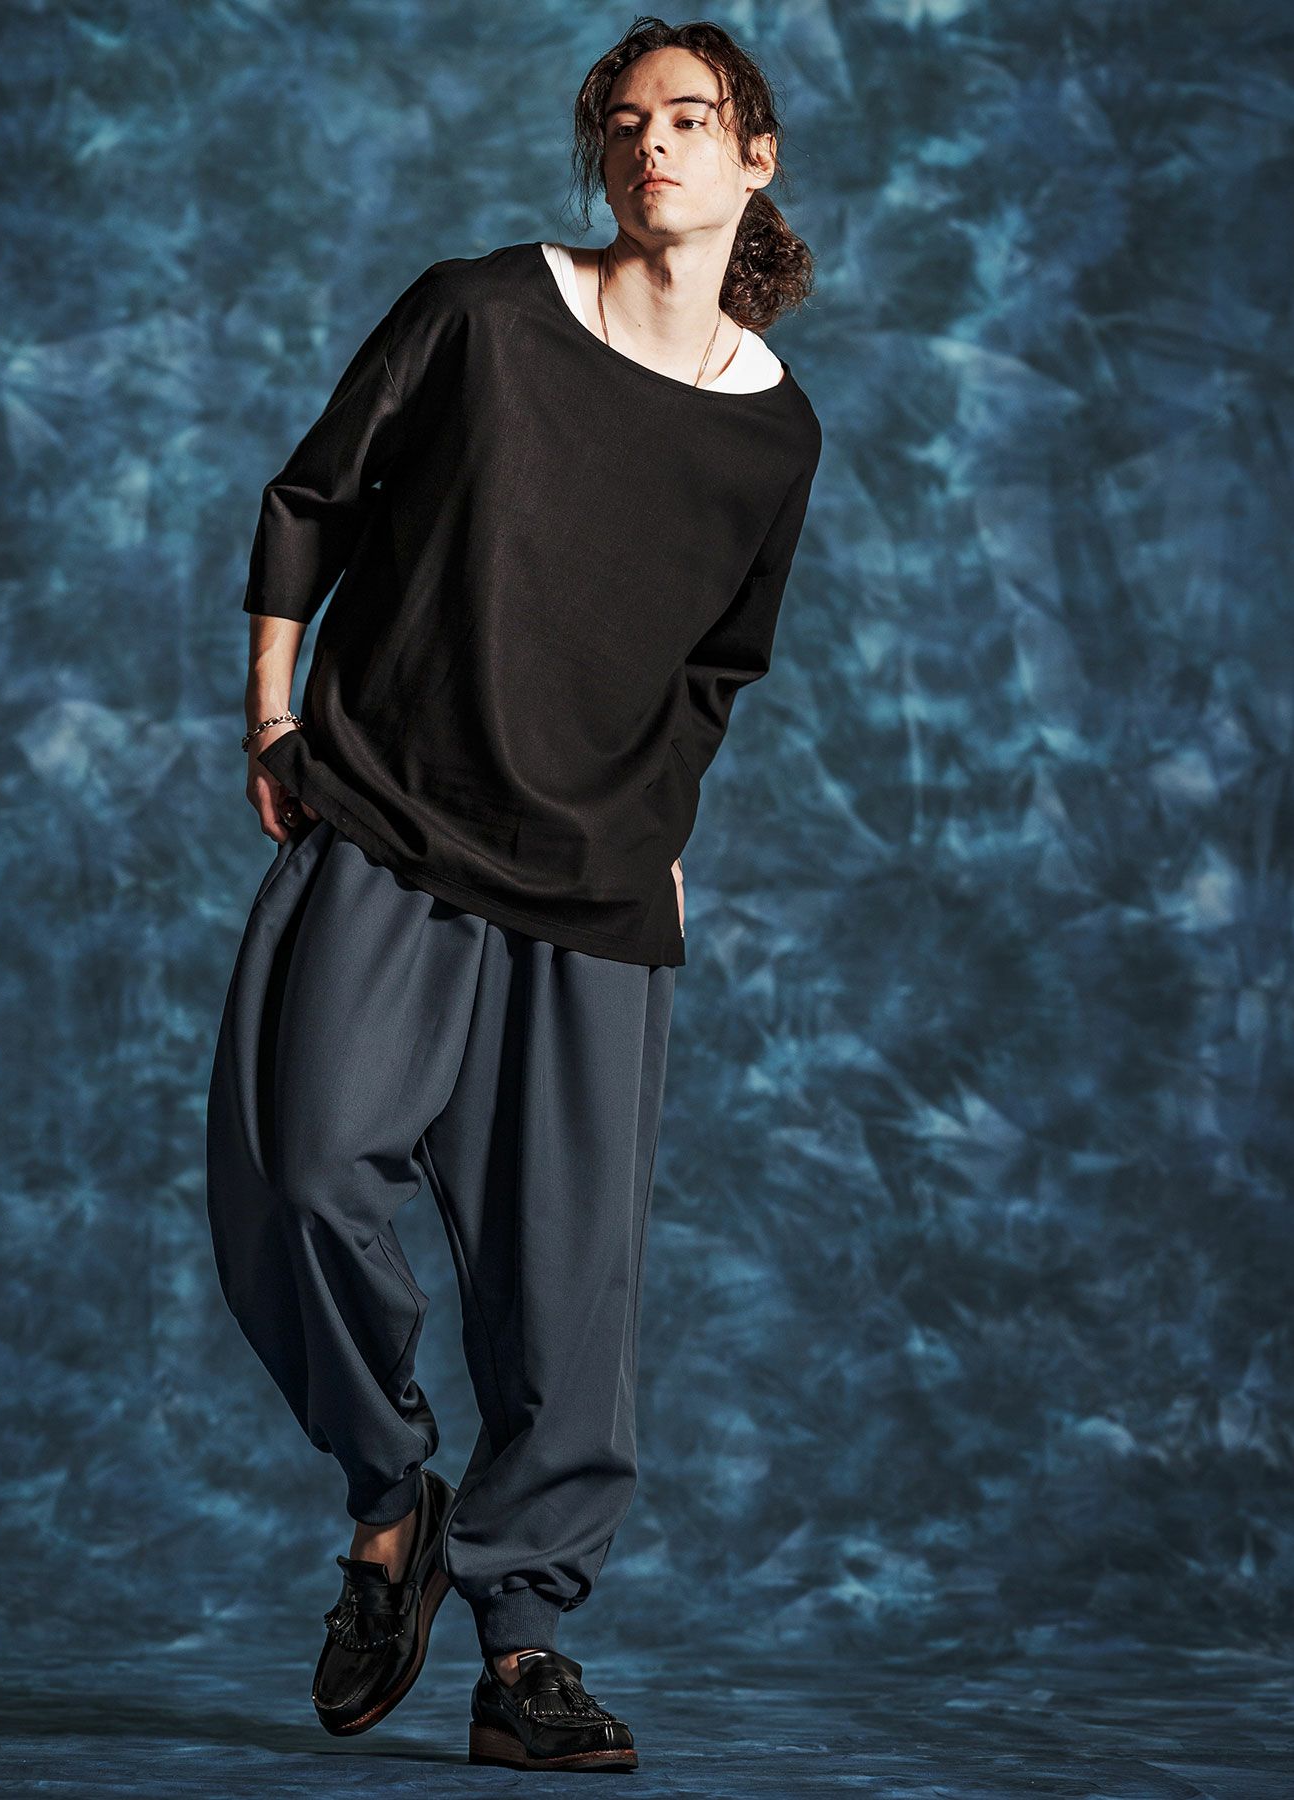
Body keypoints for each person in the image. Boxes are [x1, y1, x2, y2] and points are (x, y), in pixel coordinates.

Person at [205, 15, 821, 1775]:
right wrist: (270, 712)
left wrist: (661, 827)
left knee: (568, 1297)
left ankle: (525, 1648)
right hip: (393, 816)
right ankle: (391, 1496)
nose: (651, 146)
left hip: (597, 891)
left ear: (755, 156)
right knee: (304, 1168)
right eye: (622, 122)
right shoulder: (485, 312)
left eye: (689, 118)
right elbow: (313, 496)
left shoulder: (777, 436)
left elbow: (715, 672)